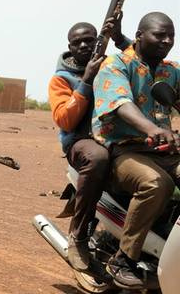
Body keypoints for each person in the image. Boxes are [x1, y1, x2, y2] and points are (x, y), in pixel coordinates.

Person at [92, 12, 180, 289]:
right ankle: (124, 258)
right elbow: (120, 104)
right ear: (140, 35)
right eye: (159, 35)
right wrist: (151, 129)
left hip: (165, 150)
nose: (167, 41)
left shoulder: (171, 70)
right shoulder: (116, 64)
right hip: (125, 149)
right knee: (157, 184)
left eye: (171, 36)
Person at [48, 18, 129, 271]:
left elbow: (139, 64)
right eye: (77, 42)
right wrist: (86, 80)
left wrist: (119, 38)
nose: (84, 45)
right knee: (98, 158)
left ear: (98, 43)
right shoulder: (61, 79)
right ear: (70, 47)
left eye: (89, 40)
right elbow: (66, 120)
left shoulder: (113, 66)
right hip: (81, 142)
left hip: (117, 138)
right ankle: (79, 233)